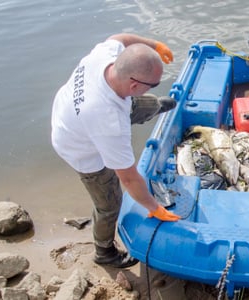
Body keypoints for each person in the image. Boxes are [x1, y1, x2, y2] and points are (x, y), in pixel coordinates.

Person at [51, 33, 181, 268]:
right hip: (77, 145)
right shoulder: (110, 123)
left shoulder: (105, 56)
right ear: (134, 85)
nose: (155, 86)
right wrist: (155, 207)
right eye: (153, 84)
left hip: (73, 110)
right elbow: (129, 178)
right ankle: (104, 253)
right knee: (109, 204)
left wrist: (155, 45)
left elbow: (119, 37)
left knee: (145, 105)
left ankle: (155, 106)